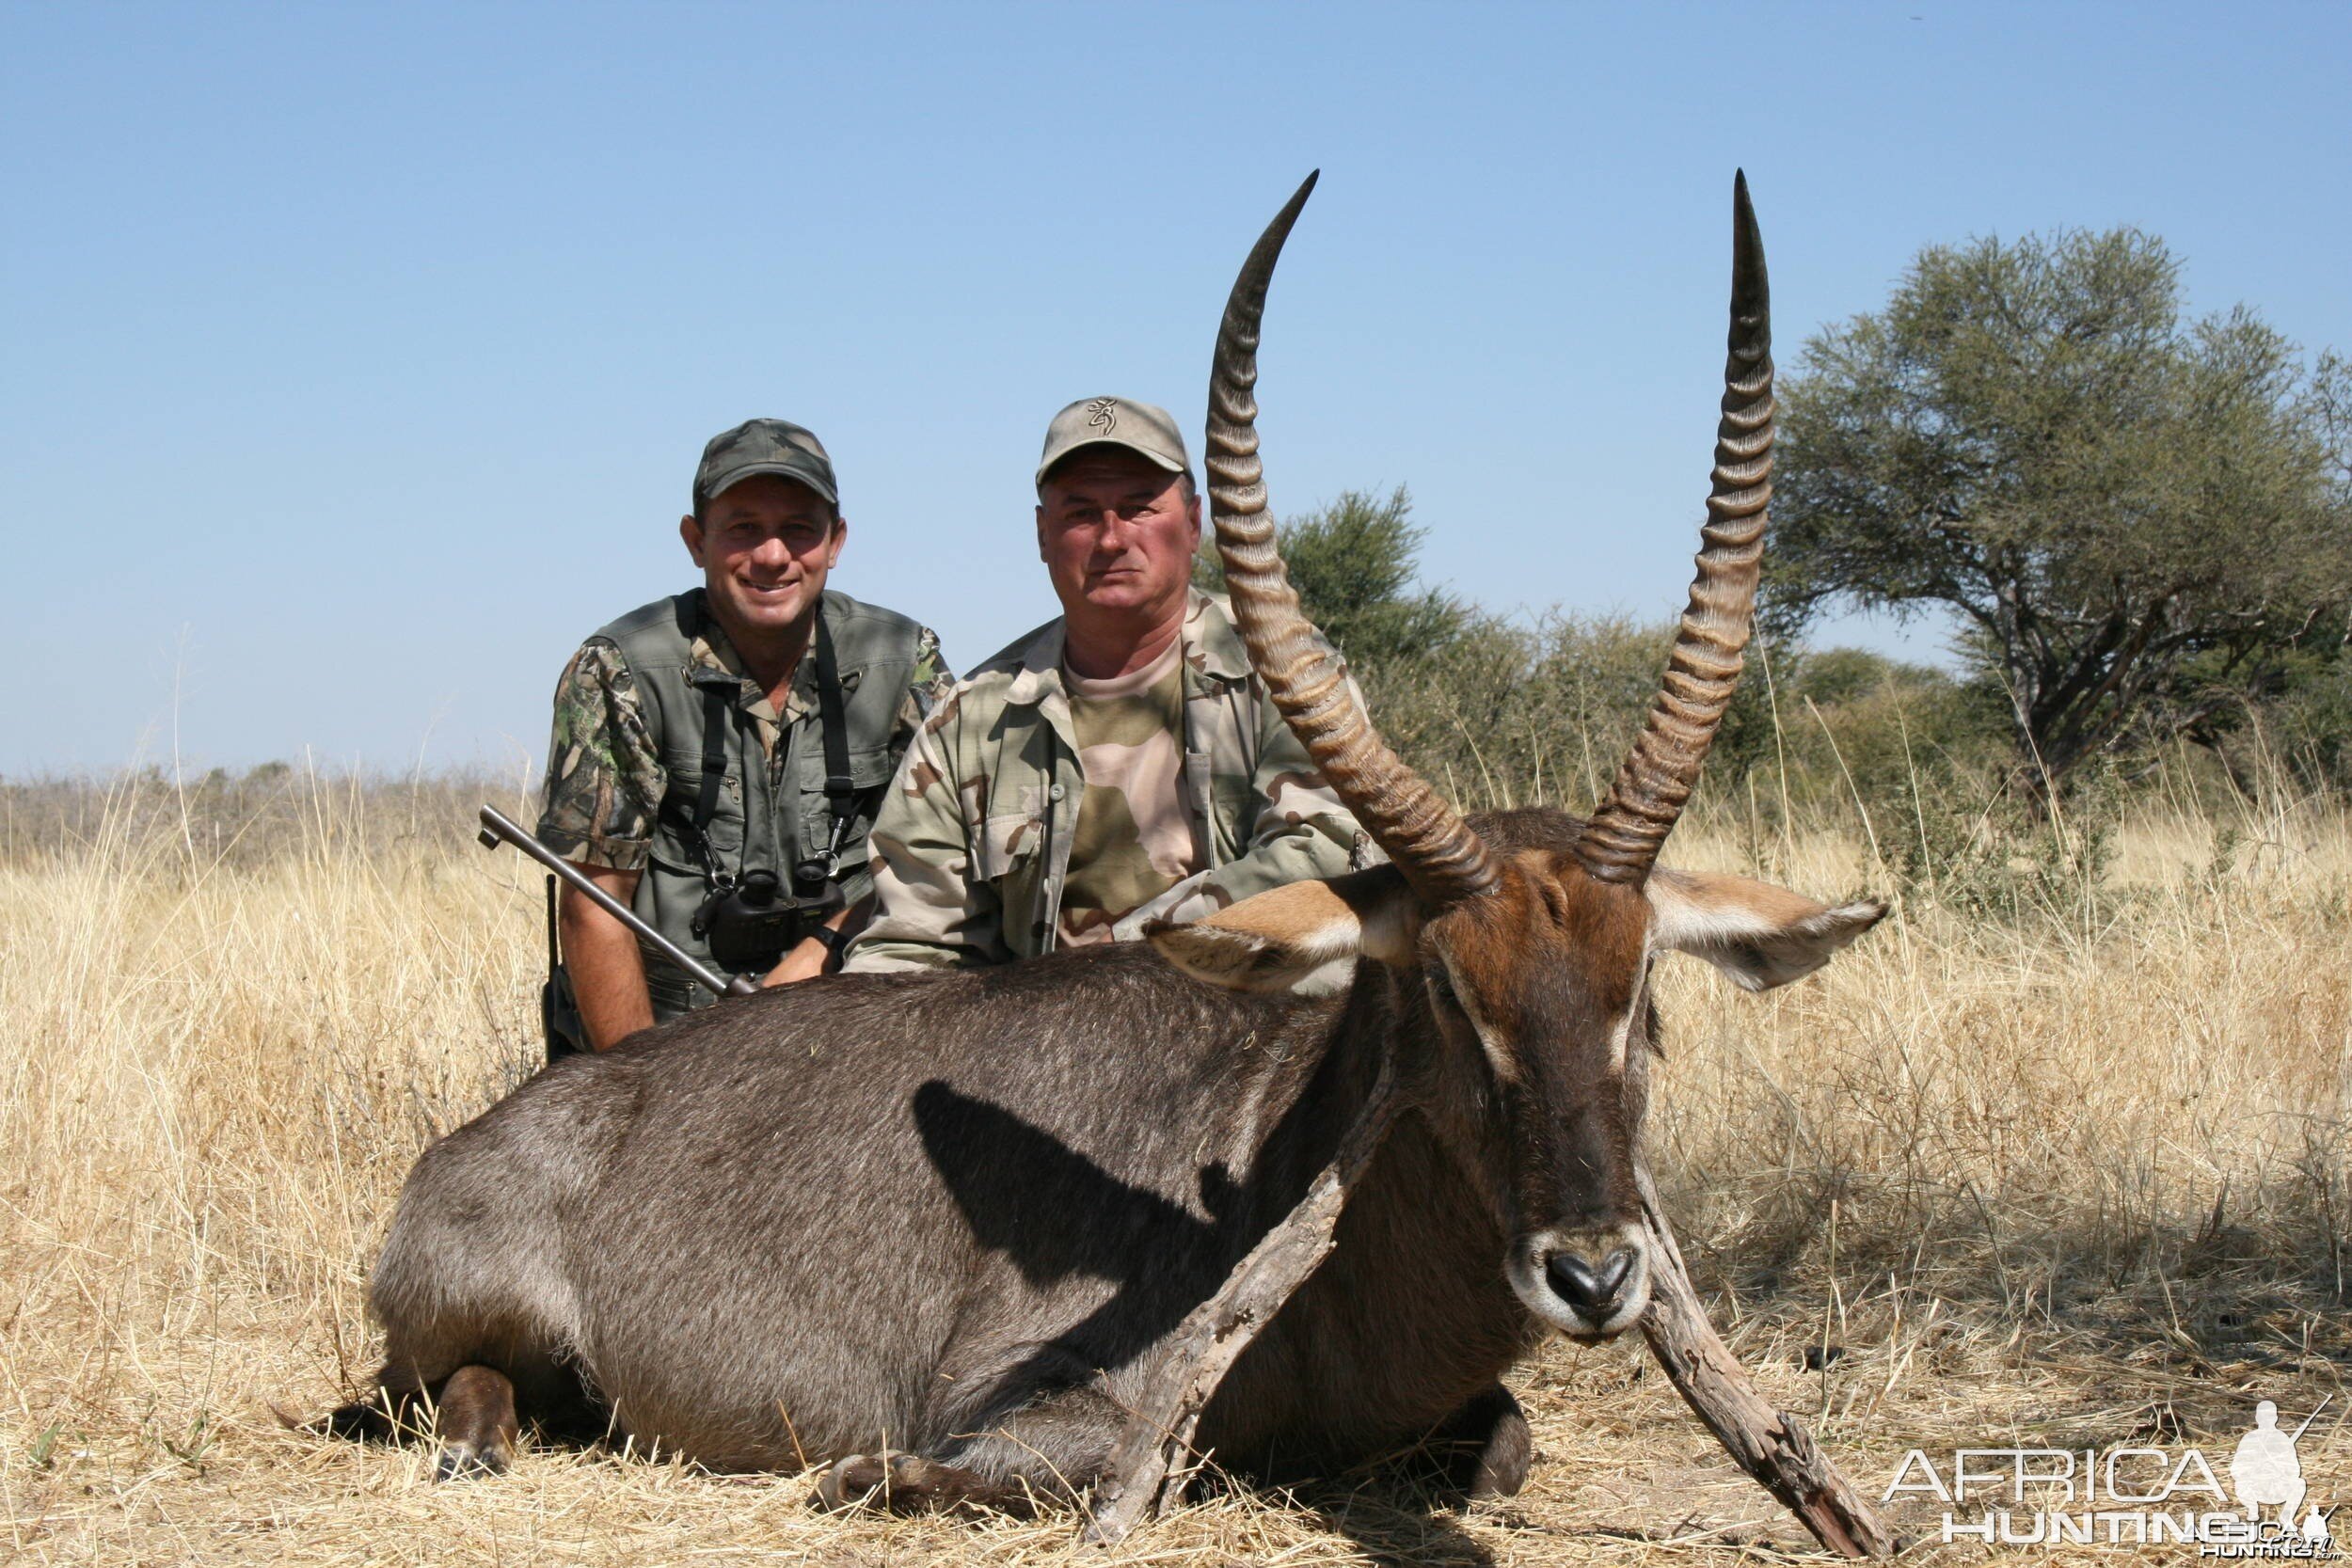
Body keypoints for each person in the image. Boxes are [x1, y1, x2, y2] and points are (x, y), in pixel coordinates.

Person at [846, 396, 1366, 972]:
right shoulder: (969, 717)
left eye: (1140, 507)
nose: (1112, 539)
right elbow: (912, 944)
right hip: (1039, 1045)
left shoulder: (1285, 667)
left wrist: (1112, 968)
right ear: (1043, 535)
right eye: (1081, 513)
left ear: (1193, 525)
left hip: (1249, 1025)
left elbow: (1325, 854)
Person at [537, 418, 949, 1049]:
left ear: (836, 541)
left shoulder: (905, 657)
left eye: (798, 529)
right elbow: (594, 903)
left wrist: (820, 951)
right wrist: (645, 1097)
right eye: (743, 529)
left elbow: (943, 866)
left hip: (856, 1036)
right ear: (695, 540)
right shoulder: (618, 669)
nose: (773, 555)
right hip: (673, 1042)